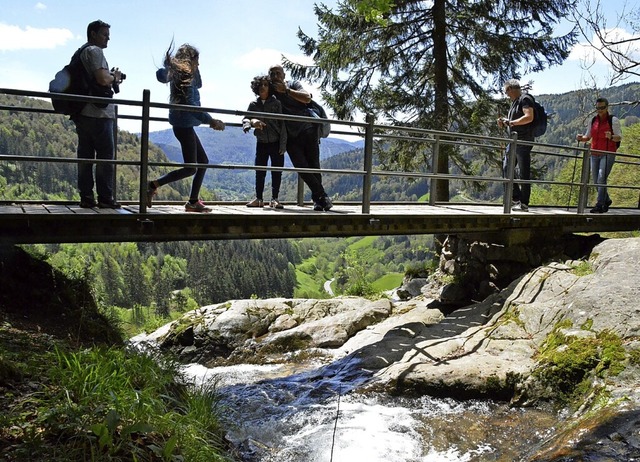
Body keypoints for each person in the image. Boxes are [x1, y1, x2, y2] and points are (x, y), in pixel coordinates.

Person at [147, 42, 225, 213]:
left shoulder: (185, 76)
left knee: (202, 162)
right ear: (190, 60)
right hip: (184, 125)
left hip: (184, 124)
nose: (199, 64)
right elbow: (191, 106)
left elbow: (200, 84)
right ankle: (153, 185)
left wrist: (193, 68)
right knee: (191, 168)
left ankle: (193, 201)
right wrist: (211, 121)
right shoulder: (181, 77)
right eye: (197, 61)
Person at [268, 64, 333, 211]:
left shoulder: (293, 84)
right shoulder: (271, 92)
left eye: (278, 73)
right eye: (272, 74)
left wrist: (287, 91)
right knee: (302, 167)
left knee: (314, 166)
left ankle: (318, 200)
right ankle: (322, 196)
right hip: (290, 135)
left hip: (308, 129)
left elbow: (307, 98)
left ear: (284, 75)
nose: (275, 76)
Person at [74, 20, 123, 209]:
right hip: (99, 113)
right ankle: (105, 198)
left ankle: (86, 197)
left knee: (85, 156)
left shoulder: (82, 52)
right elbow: (102, 79)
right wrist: (115, 77)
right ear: (93, 34)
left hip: (83, 111)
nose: (108, 38)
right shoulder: (94, 51)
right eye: (104, 34)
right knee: (105, 157)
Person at [242, 75, 287, 209]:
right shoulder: (253, 105)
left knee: (276, 171)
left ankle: (275, 199)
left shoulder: (276, 104)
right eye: (260, 85)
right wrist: (250, 123)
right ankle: (259, 199)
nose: (263, 87)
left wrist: (283, 144)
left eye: (266, 85)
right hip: (261, 142)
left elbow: (282, 124)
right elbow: (246, 118)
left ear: (270, 88)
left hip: (276, 141)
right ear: (256, 87)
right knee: (259, 170)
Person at [576, 97, 621, 214]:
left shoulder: (613, 120)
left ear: (607, 107)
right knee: (596, 180)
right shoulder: (593, 120)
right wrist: (581, 139)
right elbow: (588, 136)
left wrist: (610, 136)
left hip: (607, 153)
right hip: (594, 153)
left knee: (601, 178)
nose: (600, 110)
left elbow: (619, 137)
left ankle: (600, 204)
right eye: (598, 108)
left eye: (602, 108)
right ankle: (607, 200)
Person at [497, 79, 535, 212]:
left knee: (524, 171)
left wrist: (511, 123)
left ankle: (524, 203)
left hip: (523, 140)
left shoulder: (525, 99)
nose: (506, 94)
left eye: (506, 91)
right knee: (507, 168)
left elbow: (529, 117)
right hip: (513, 141)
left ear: (511, 89)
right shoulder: (516, 102)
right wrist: (506, 122)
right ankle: (516, 198)